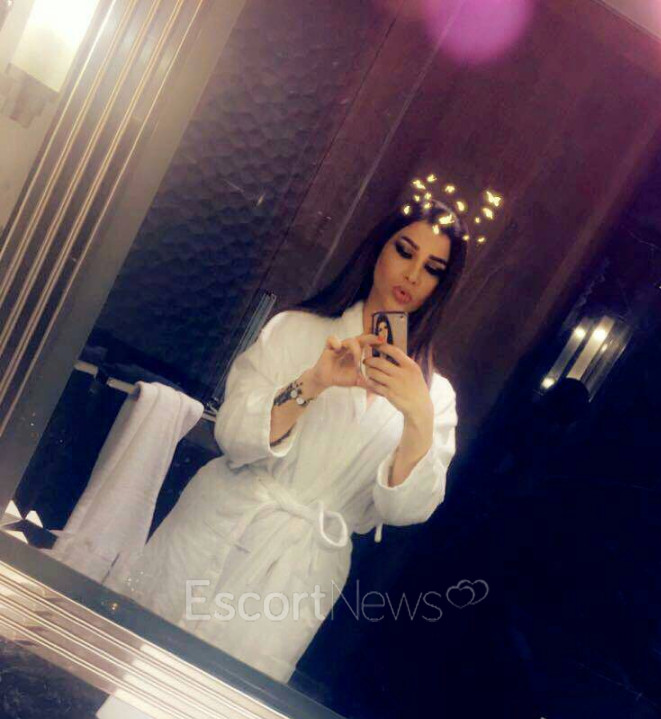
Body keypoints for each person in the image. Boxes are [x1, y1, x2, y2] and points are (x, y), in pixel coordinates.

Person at [116, 196, 468, 682]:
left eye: (431, 269)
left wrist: (418, 419)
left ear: (440, 287)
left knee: (224, 702)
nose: (412, 275)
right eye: (404, 251)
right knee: (131, 667)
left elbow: (405, 510)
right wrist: (313, 382)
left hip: (300, 572)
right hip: (216, 526)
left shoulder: (435, 396)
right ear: (377, 250)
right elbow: (232, 435)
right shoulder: (297, 330)